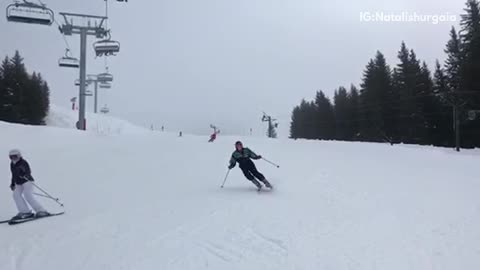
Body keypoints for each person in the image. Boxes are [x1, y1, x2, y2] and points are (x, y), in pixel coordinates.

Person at [9, 149, 49, 220]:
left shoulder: (23, 162)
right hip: (18, 182)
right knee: (16, 195)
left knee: (27, 195)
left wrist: (25, 174)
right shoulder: (12, 164)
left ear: (19, 156)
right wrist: (12, 184)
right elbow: (13, 174)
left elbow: (28, 171)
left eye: (15, 156)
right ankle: (25, 212)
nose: (13, 158)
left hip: (27, 181)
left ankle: (41, 211)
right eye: (11, 157)